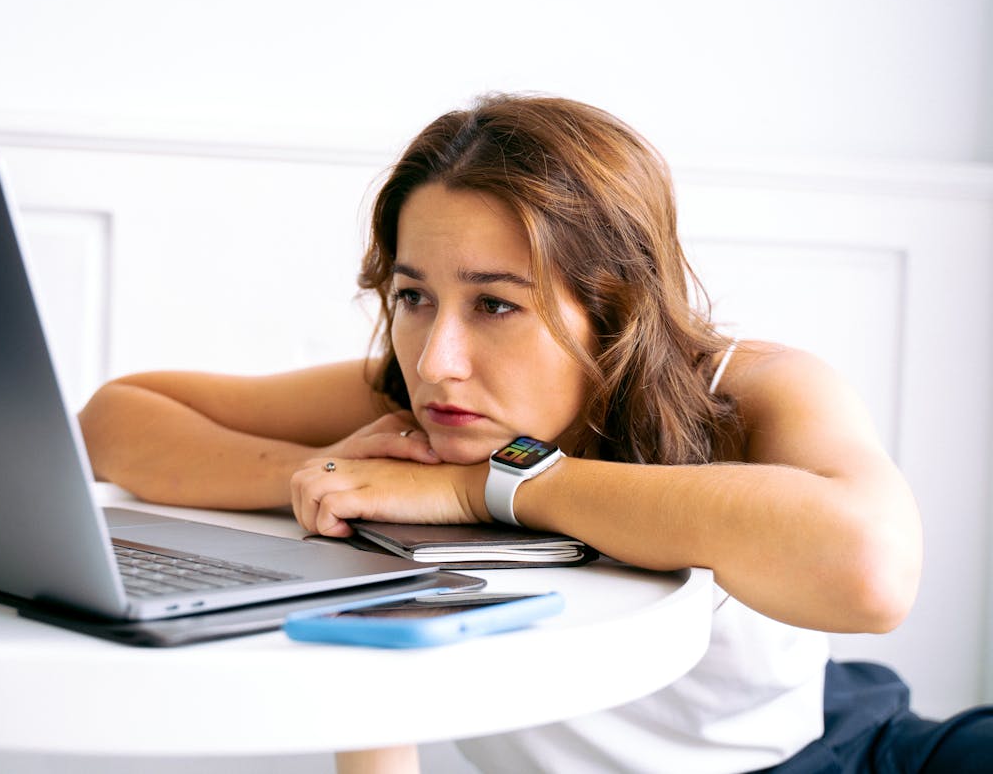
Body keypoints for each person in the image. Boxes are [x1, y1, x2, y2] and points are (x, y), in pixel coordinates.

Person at [78, 94, 989, 772]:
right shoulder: (415, 409)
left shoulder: (743, 389)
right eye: (414, 296)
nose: (437, 359)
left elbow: (871, 572)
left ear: (613, 308)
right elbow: (116, 419)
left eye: (496, 304)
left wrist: (487, 487)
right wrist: (327, 475)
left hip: (846, 751)